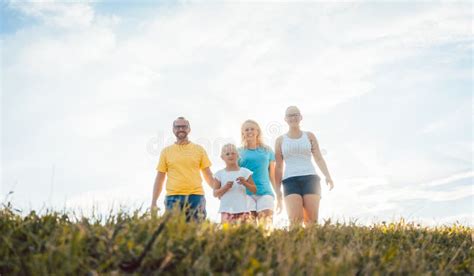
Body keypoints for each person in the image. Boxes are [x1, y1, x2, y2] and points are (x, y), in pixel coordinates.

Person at [275, 106, 334, 226]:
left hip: (310, 178)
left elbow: (318, 157)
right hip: (290, 180)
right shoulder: (280, 140)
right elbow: (279, 166)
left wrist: (328, 176)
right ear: (285, 119)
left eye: (296, 114)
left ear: (301, 117)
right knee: (295, 221)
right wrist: (277, 190)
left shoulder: (309, 136)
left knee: (311, 221)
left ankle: (311, 245)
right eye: (290, 115)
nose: (293, 117)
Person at [151, 117, 214, 221]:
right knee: (174, 233)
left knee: (197, 233)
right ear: (173, 129)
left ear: (189, 129)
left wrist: (219, 190)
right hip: (173, 198)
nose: (181, 129)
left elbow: (208, 175)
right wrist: (154, 201)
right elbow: (159, 178)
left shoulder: (199, 149)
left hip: (196, 197)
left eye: (184, 126)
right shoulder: (166, 152)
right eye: (178, 126)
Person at [238, 119, 282, 225]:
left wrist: (279, 195)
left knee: (266, 227)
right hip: (245, 194)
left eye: (252, 129)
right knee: (249, 230)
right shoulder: (238, 152)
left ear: (257, 131)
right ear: (243, 133)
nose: (249, 131)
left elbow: (272, 175)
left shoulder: (267, 151)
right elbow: (234, 174)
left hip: (265, 193)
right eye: (246, 129)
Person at [213, 144, 257, 223]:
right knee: (226, 234)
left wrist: (244, 183)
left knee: (242, 234)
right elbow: (215, 194)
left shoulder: (245, 172)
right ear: (222, 157)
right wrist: (225, 187)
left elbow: (254, 189)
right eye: (227, 154)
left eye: (233, 153)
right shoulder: (219, 174)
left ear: (237, 156)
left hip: (243, 210)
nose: (230, 156)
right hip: (226, 211)